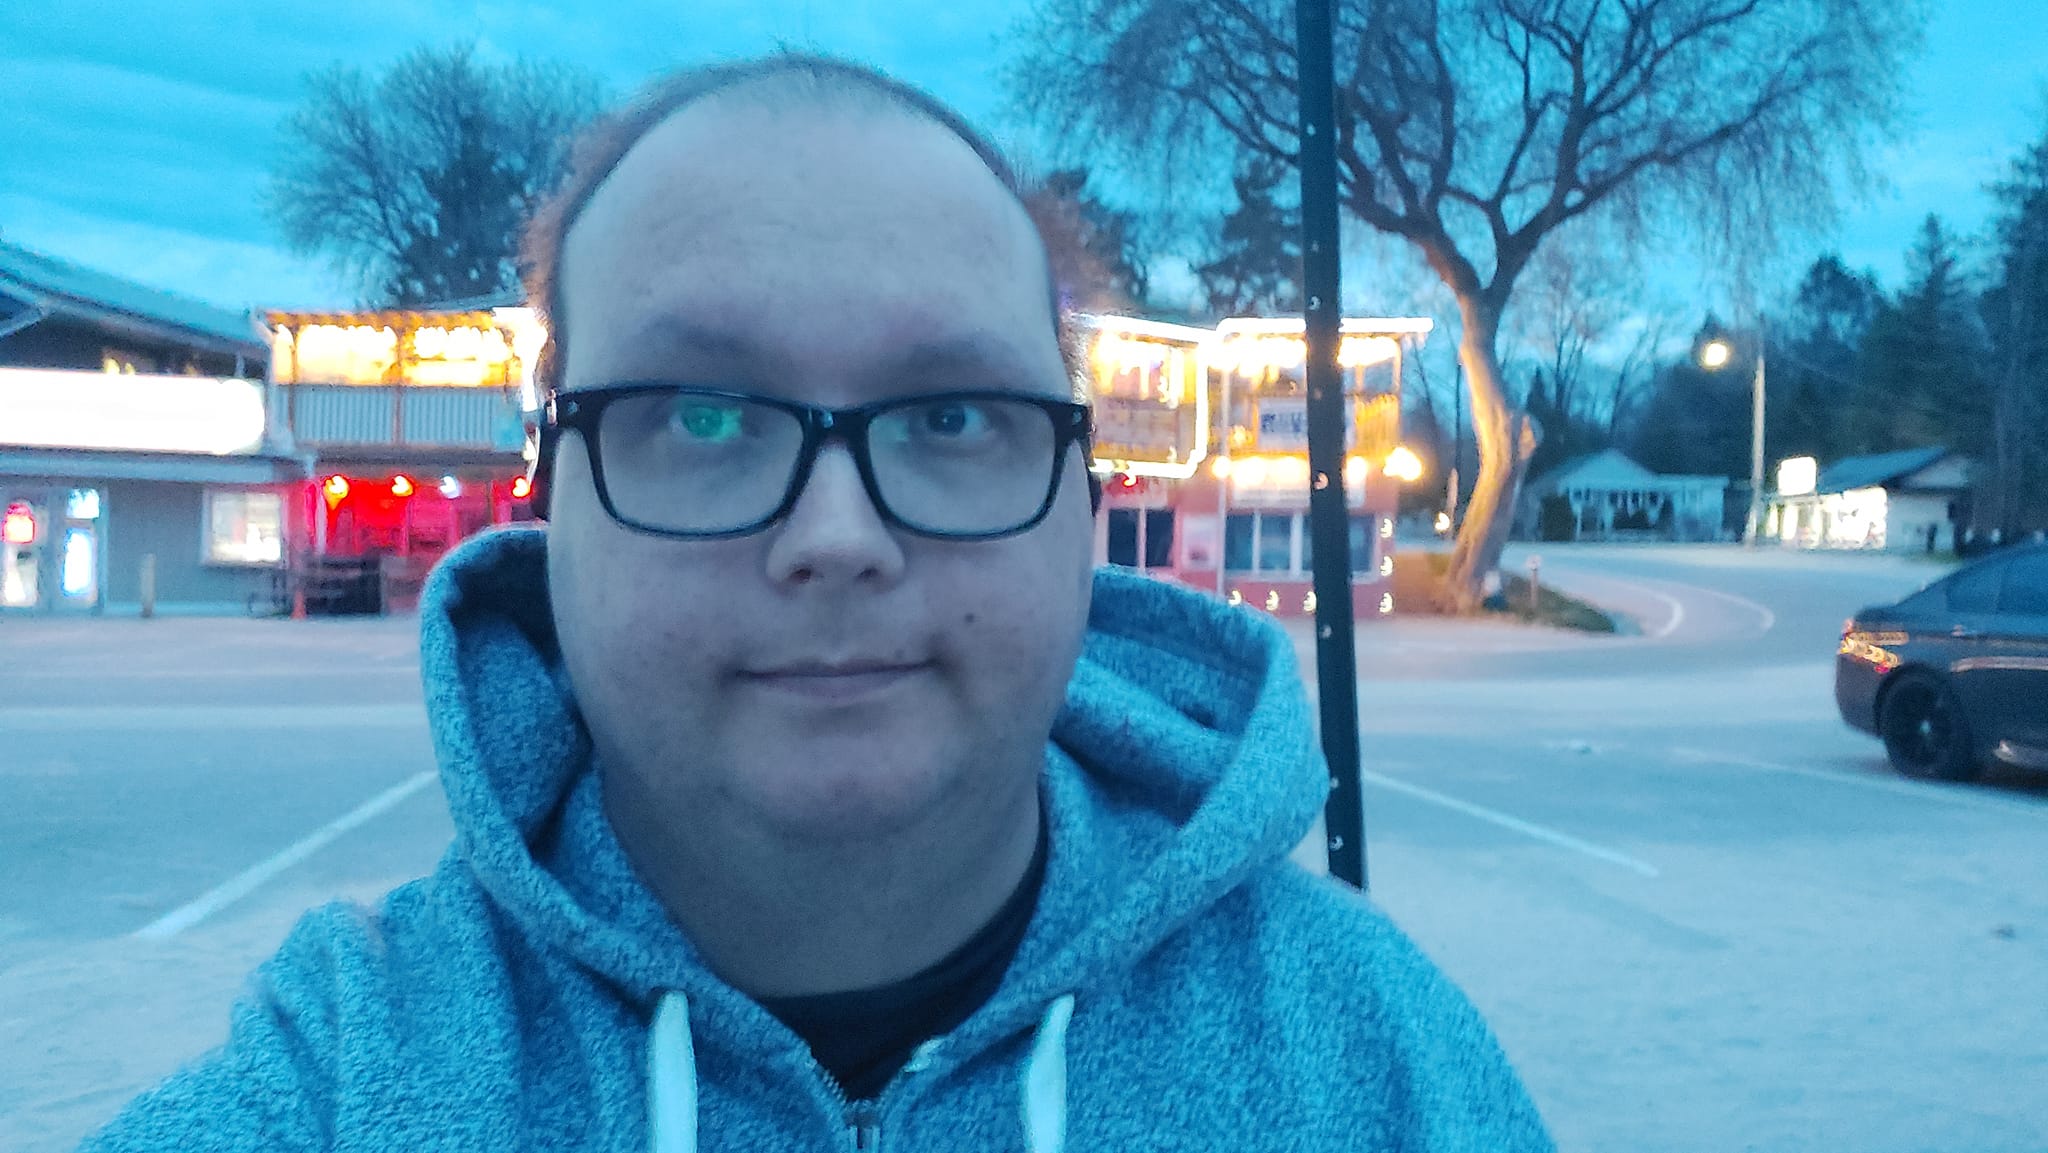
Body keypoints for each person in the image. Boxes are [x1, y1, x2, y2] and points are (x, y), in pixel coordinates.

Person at [83, 56, 1552, 1152]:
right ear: (549, 510)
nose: (835, 537)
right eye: (704, 418)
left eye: (953, 416)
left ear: (1085, 516)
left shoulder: (1372, 1062)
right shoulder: (352, 1069)